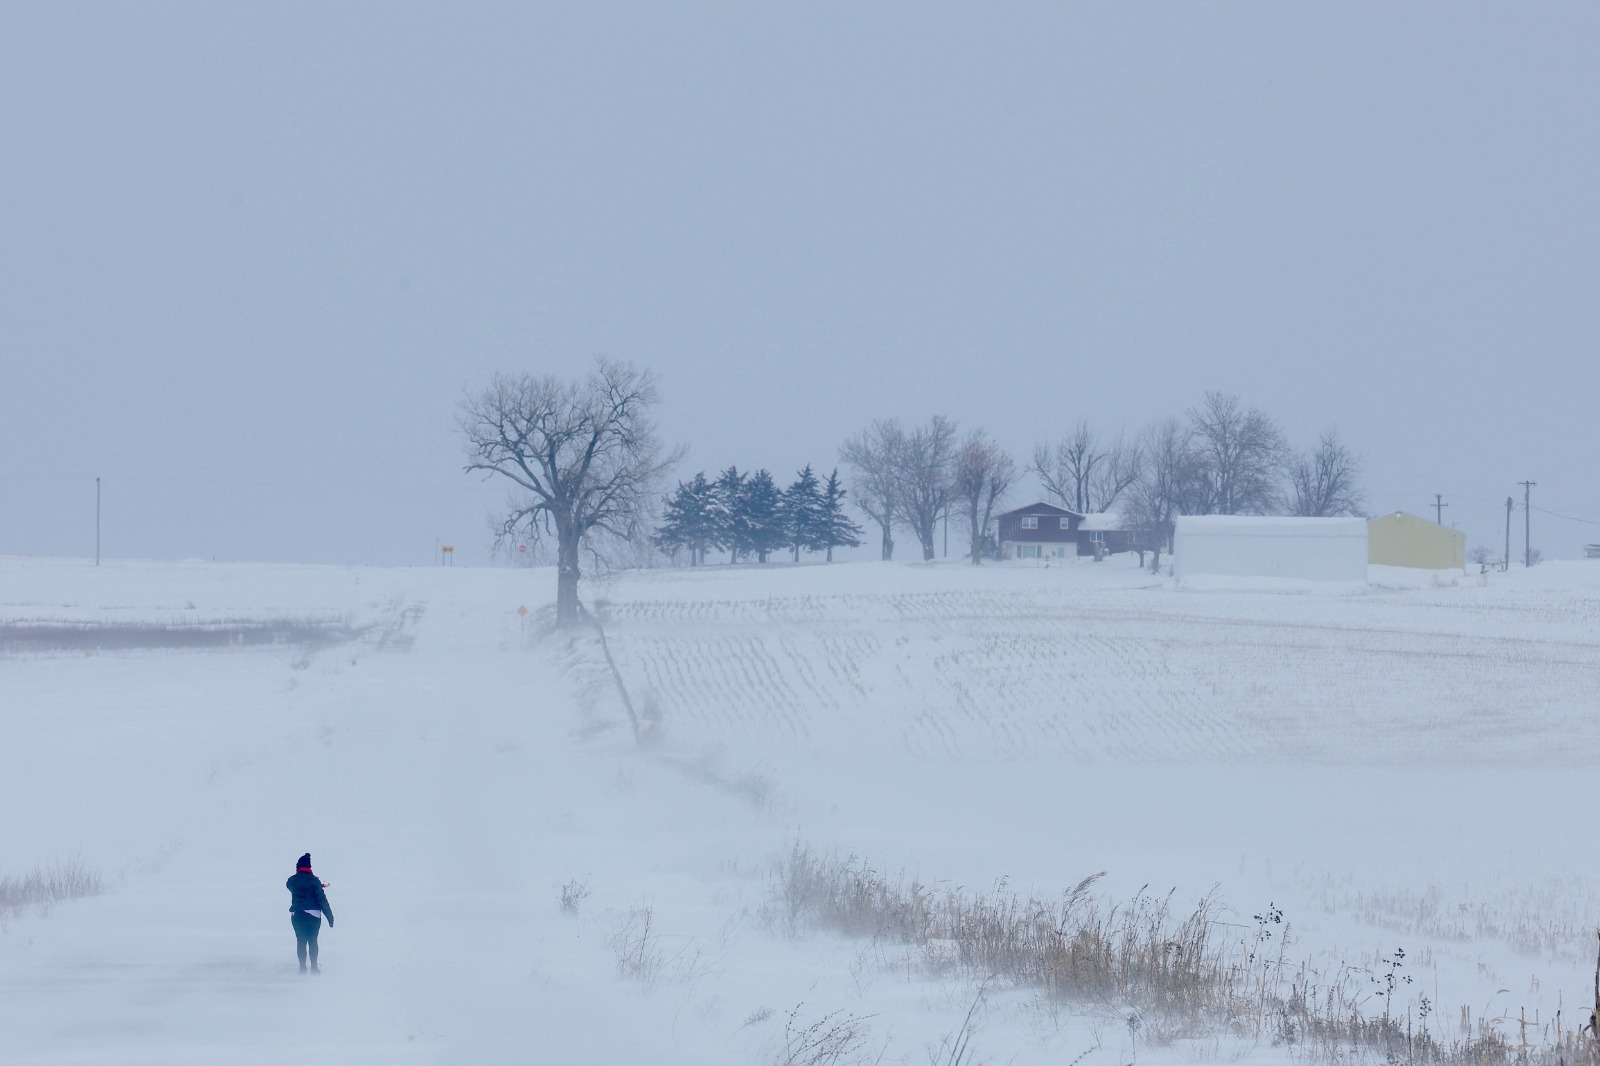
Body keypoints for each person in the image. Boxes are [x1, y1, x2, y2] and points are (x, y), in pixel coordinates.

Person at [286, 852, 334, 974]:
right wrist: (330, 917)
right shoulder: (314, 882)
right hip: (313, 915)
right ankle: (314, 968)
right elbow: (322, 900)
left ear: (298, 867)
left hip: (297, 914)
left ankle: (302, 968)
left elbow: (291, 885)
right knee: (313, 940)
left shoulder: (292, 880)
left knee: (301, 941)